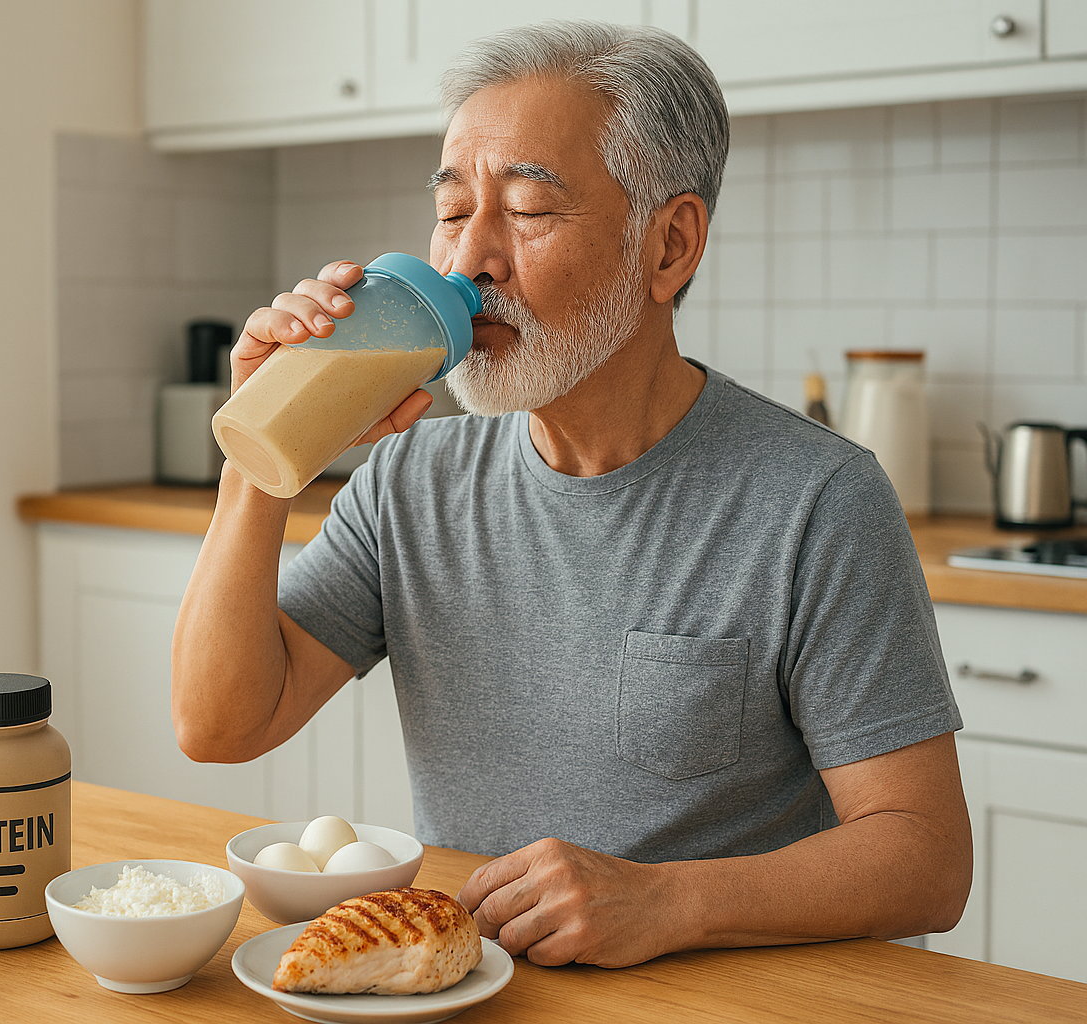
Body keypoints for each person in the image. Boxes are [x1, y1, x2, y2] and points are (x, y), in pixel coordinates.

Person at [170, 20, 970, 969]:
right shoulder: (409, 483)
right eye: (453, 209)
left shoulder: (818, 500)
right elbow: (220, 725)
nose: (469, 261)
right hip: (480, 987)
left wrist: (671, 900)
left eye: (527, 210)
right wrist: (262, 450)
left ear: (670, 246)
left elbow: (926, 860)